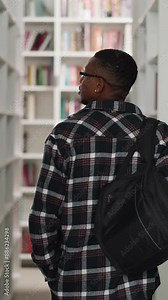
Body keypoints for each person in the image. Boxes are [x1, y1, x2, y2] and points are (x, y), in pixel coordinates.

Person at [29, 49, 168, 299]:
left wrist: (52, 270)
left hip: (75, 281)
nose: (80, 81)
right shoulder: (157, 135)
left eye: (84, 75)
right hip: (136, 281)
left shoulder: (65, 135)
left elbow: (43, 216)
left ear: (98, 85)